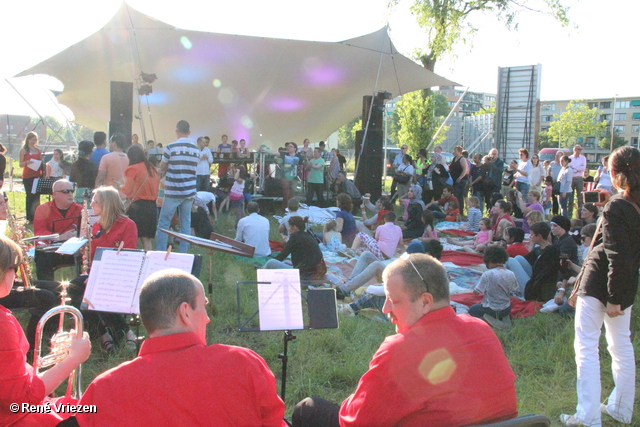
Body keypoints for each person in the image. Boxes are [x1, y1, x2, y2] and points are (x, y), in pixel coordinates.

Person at [293, 253, 518, 427]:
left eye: (393, 300)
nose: (385, 308)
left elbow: (356, 421)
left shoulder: (399, 350)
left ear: (425, 302)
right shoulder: (482, 328)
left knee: (308, 408)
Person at [73, 269, 285, 426]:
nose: (208, 319)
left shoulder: (103, 388)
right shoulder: (243, 362)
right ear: (185, 312)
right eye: (203, 306)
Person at [560, 146, 640, 427]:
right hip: (626, 283)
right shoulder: (623, 205)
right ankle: (619, 408)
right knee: (620, 347)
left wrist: (615, 297)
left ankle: (588, 416)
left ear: (616, 173)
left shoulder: (618, 207)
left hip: (602, 283)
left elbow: (618, 253)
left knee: (587, 346)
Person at [0, 234, 91, 427]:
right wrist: (73, 359)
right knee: (92, 413)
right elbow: (21, 401)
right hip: (13, 419)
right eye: (14, 269)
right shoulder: (2, 324)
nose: (16, 276)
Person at [155, 120, 199, 253]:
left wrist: (160, 169)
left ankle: (160, 251)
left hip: (173, 191)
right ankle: (183, 253)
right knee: (185, 224)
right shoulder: (196, 149)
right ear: (189, 132)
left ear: (177, 131)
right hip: (189, 192)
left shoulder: (170, 147)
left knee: (164, 223)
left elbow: (162, 167)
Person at [33, 179, 83, 281]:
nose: (70, 194)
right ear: (54, 194)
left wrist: (79, 235)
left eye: (71, 191)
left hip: (76, 251)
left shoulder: (80, 210)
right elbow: (39, 232)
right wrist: (59, 237)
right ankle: (48, 290)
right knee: (41, 258)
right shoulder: (43, 209)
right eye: (65, 191)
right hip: (53, 251)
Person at [507, 221, 559, 300]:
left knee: (510, 260)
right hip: (534, 282)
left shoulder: (550, 252)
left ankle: (498, 279)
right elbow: (525, 260)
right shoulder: (538, 249)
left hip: (537, 291)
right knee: (518, 258)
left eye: (532, 234)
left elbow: (543, 276)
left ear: (539, 236)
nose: (530, 237)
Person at [263, 216, 326, 282]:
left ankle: (262, 277)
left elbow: (282, 256)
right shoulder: (307, 235)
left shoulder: (295, 237)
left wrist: (265, 265)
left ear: (295, 227)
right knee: (285, 262)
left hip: (303, 274)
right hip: (313, 271)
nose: (288, 229)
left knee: (271, 262)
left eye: (289, 226)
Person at [122, 145, 159, 251]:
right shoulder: (153, 169)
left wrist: (120, 186)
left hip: (138, 207)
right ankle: (148, 261)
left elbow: (127, 190)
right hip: (152, 206)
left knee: (131, 237)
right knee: (146, 239)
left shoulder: (133, 169)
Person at [469, 246, 519, 325]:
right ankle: (503, 317)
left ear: (489, 261)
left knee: (472, 310)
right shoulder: (511, 273)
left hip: (492, 309)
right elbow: (515, 289)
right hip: (506, 308)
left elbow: (476, 293)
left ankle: (490, 320)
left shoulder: (487, 274)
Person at [19, 131, 43, 222]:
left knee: (37, 196)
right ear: (28, 140)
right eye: (31, 140)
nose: (33, 141)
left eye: (35, 140)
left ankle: (37, 214)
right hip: (28, 176)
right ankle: (29, 216)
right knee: (29, 195)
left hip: (37, 175)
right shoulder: (24, 150)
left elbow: (40, 161)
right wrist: (27, 162)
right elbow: (20, 164)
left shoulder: (37, 150)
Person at [449, 146, 469, 214]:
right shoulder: (454, 158)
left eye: (455, 151)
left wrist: (460, 177)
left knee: (459, 195)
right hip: (454, 180)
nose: (454, 152)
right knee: (455, 194)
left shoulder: (462, 159)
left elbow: (465, 169)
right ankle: (456, 210)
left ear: (459, 152)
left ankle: (461, 211)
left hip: (461, 180)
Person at [568, 144, 587, 215]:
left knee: (580, 196)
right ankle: (569, 213)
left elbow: (583, 168)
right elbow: (569, 168)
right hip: (571, 178)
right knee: (570, 196)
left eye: (581, 149)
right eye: (579, 149)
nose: (580, 151)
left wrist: (575, 168)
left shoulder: (583, 158)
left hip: (579, 178)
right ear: (575, 150)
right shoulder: (570, 158)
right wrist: (577, 168)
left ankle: (580, 213)